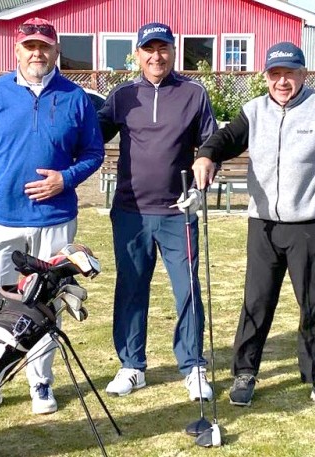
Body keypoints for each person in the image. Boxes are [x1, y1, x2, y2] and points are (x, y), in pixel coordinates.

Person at [192, 41, 315, 412]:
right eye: (275, 74)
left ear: (303, 74)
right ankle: (245, 373)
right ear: (265, 77)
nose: (282, 81)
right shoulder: (254, 111)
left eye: (289, 73)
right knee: (256, 302)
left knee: (312, 303)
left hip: (310, 224)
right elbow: (224, 139)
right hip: (263, 224)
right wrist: (206, 156)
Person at [0, 17, 104, 415]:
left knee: (45, 305)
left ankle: (41, 382)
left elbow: (93, 154)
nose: (37, 53)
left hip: (54, 219)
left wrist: (65, 178)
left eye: (44, 46)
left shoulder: (75, 97)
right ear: (17, 50)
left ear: (56, 51)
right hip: (1, 218)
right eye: (30, 46)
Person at [97, 22, 218, 401]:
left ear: (173, 51)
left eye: (163, 48)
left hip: (177, 211)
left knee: (187, 290)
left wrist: (204, 174)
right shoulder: (121, 96)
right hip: (130, 211)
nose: (156, 56)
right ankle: (132, 366)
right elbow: (91, 136)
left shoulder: (193, 93)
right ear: (137, 55)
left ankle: (193, 366)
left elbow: (210, 142)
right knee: (131, 289)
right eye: (148, 49)